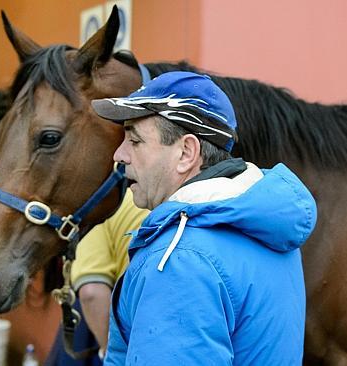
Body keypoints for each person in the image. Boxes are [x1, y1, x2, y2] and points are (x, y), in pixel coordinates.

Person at [91, 71, 317, 365]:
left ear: (186, 152)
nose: (119, 155)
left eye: (135, 140)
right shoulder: (266, 228)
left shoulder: (180, 260)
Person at [70, 189, 148, 358]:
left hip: (128, 327)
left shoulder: (102, 204)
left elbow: (91, 292)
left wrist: (111, 353)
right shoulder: (184, 198)